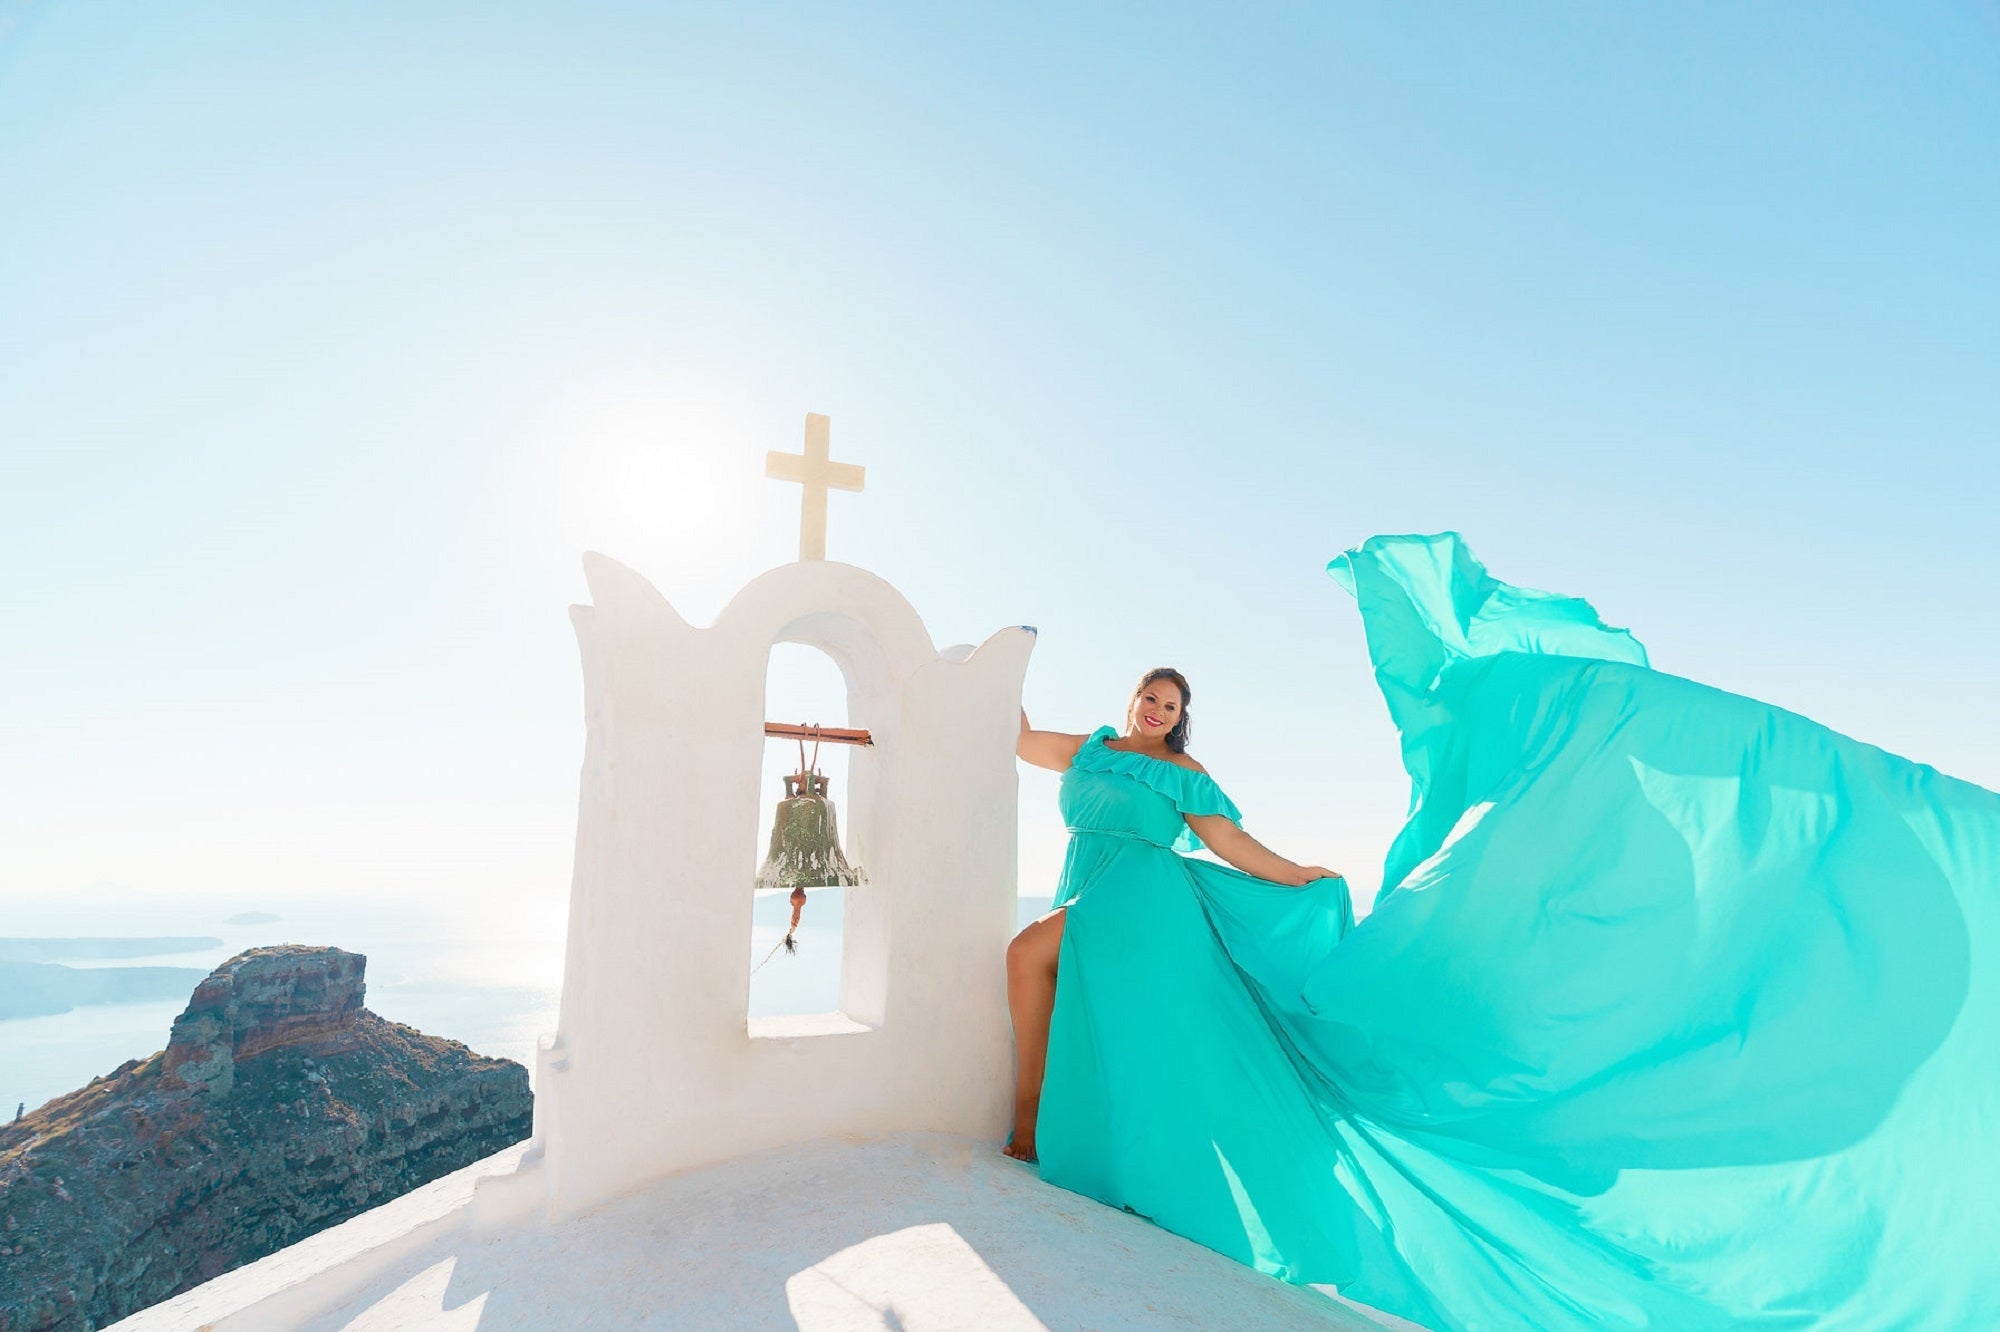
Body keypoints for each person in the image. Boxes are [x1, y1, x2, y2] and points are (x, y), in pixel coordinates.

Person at [1003, 532, 2000, 1331]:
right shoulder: (1087, 751)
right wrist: (990, 668)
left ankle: (1022, 1113)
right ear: (1131, 698)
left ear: (1181, 722)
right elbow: (1009, 737)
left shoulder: (1182, 780)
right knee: (1079, 994)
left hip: (1143, 903)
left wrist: (1305, 876)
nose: (1157, 706)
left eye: (1172, 703)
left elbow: (1237, 848)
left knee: (1027, 956)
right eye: (1149, 693)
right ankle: (1048, 1123)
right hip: (1091, 893)